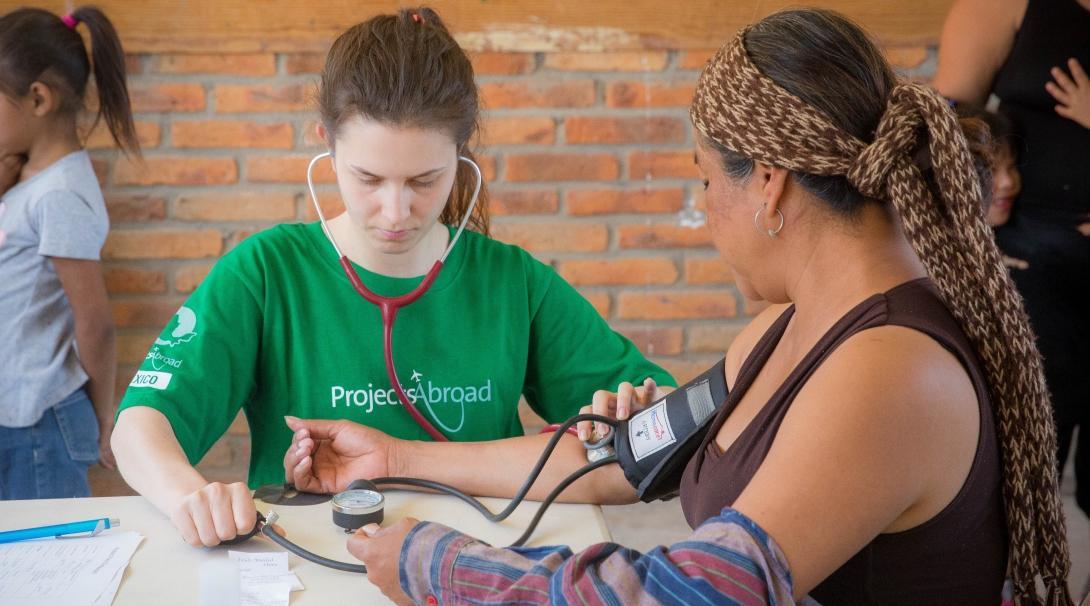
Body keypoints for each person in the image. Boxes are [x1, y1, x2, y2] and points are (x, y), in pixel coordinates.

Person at [338, 9, 1073, 605]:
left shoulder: (892, 373)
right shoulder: (784, 331)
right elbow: (623, 459)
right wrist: (396, 457)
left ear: (768, 184)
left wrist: (446, 567)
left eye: (705, 181)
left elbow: (694, 591)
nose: (704, 206)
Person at [110, 7, 673, 548]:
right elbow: (140, 425)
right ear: (326, 143)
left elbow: (665, 413)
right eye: (368, 178)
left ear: (461, 154)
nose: (397, 211)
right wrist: (188, 495)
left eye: (425, 180)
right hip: (311, 567)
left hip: (474, 566)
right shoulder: (265, 272)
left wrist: (631, 407)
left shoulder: (512, 282)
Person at [934, 0, 1090, 529]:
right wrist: (969, 238)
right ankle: (1006, 575)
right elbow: (946, 124)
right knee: (1025, 439)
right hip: (1028, 255)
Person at [0, 7, 138, 499]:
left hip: (37, 422)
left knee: (46, 565)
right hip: (16, 417)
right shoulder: (29, 179)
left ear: (37, 98)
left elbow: (95, 323)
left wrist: (105, 415)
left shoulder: (59, 194)